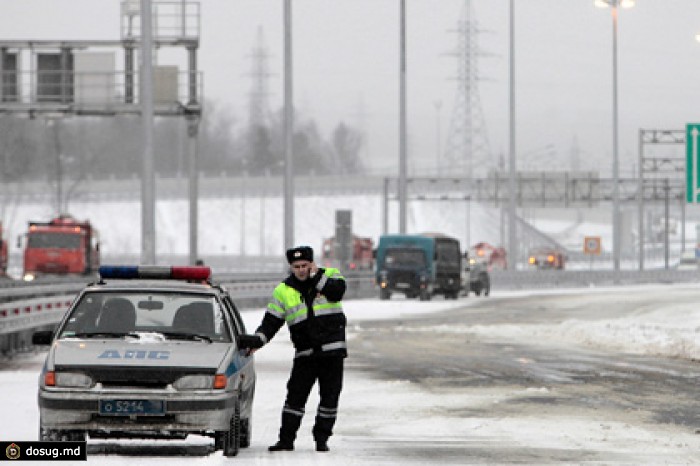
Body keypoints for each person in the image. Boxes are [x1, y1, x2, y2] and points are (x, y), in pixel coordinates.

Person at [238, 245, 347, 453]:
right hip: (306, 354)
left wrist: (317, 277)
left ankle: (321, 439)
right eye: (296, 266)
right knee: (294, 399)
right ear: (291, 267)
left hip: (332, 353)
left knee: (329, 399)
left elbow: (337, 292)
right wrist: (257, 341)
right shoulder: (283, 290)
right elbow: (271, 322)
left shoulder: (330, 276)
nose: (301, 270)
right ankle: (286, 440)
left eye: (305, 265)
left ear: (312, 264)